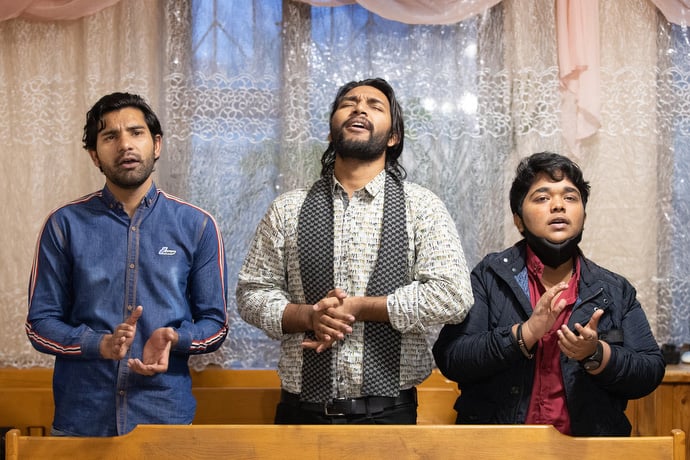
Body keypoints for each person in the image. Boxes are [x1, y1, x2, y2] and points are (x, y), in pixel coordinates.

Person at [236, 77, 473, 424]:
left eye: (375, 106)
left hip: (390, 414)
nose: (359, 107)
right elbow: (251, 294)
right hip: (300, 413)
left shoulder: (422, 208)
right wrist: (309, 316)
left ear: (393, 137)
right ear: (332, 132)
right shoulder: (288, 208)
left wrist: (362, 307)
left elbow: (453, 296)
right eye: (348, 103)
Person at [26, 92, 229, 437]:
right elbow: (40, 324)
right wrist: (98, 344)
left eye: (136, 133)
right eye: (110, 137)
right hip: (82, 422)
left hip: (165, 420)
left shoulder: (197, 225)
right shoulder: (64, 224)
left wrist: (176, 338)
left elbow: (216, 323)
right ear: (94, 155)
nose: (125, 145)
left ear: (157, 144)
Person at [433, 152, 665, 436]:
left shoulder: (614, 290)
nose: (558, 206)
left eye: (570, 197)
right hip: (500, 450)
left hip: (588, 453)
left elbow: (650, 370)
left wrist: (595, 354)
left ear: (583, 215)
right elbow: (452, 358)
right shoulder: (489, 276)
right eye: (542, 198)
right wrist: (525, 333)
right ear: (518, 220)